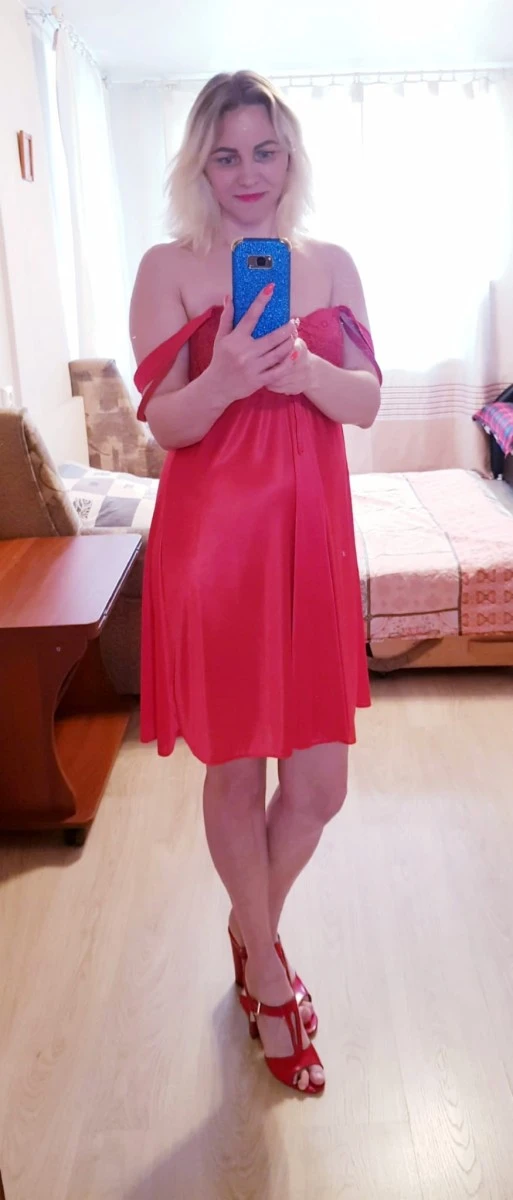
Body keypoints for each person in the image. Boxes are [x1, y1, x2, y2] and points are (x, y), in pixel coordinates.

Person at [130, 70, 381, 1097]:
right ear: (199, 164)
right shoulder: (168, 267)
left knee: (318, 787)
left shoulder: (329, 264)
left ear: (290, 158)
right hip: (217, 552)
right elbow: (166, 424)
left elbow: (365, 402)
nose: (246, 173)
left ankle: (250, 930)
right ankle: (269, 977)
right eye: (225, 154)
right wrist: (226, 377)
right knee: (236, 773)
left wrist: (305, 376)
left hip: (312, 545)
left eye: (264, 151)